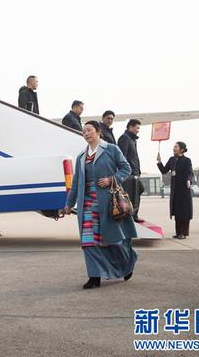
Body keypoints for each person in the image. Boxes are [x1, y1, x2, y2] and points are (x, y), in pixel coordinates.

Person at [63, 121, 138, 289]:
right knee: (89, 241)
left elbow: (126, 168)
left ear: (98, 131)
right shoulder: (81, 156)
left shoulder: (111, 149)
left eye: (89, 130)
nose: (86, 133)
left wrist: (112, 179)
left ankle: (126, 263)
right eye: (83, 131)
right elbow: (76, 182)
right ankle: (94, 277)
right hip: (87, 204)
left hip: (108, 203)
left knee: (112, 241)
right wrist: (69, 203)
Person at [157, 142, 193, 239]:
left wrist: (189, 180)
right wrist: (159, 163)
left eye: (176, 147)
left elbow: (190, 172)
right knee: (177, 210)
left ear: (181, 149)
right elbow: (164, 171)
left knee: (184, 211)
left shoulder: (187, 160)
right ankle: (178, 233)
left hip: (184, 189)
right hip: (175, 189)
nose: (174, 148)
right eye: (174, 146)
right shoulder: (172, 159)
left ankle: (183, 233)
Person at [117, 119, 144, 222]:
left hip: (135, 172)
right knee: (133, 193)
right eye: (137, 128)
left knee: (137, 192)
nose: (138, 130)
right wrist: (125, 172)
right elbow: (122, 157)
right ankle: (130, 215)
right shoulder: (124, 138)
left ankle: (134, 215)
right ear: (130, 127)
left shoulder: (132, 139)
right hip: (129, 174)